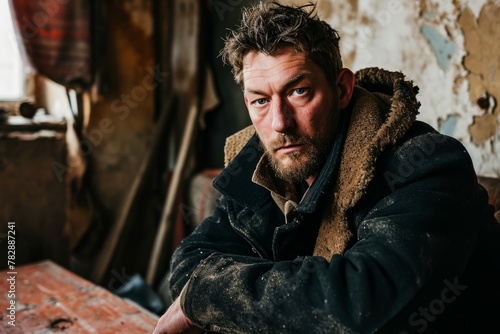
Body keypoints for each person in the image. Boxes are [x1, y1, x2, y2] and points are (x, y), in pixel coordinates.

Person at [153, 2, 500, 333]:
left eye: (299, 91)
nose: (279, 123)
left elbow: (362, 305)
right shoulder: (263, 165)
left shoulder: (427, 164)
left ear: (343, 89)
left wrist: (208, 295)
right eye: (260, 100)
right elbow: (191, 263)